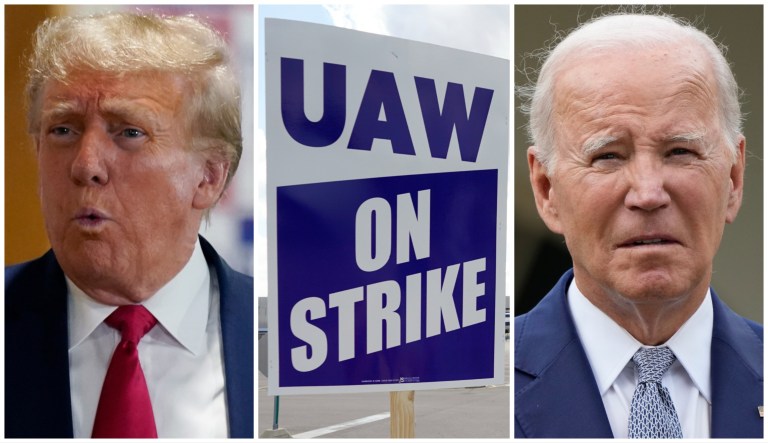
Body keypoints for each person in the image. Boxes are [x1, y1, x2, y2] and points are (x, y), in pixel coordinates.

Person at [5, 12, 254, 438]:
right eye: (63, 129)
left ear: (209, 177)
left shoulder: (274, 337)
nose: (85, 165)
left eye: (129, 133)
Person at [514, 12, 763, 438]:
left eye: (680, 151)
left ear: (734, 179)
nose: (648, 193)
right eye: (607, 156)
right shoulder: (481, 388)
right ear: (546, 190)